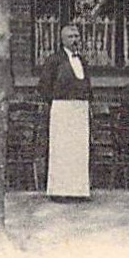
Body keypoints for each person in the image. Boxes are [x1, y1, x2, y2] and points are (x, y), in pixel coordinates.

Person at [38, 23, 93, 200]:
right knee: (61, 149)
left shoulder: (82, 60)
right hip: (62, 109)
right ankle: (59, 191)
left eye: (77, 36)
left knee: (78, 149)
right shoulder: (54, 60)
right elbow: (44, 86)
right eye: (71, 36)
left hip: (80, 109)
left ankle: (78, 191)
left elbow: (87, 84)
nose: (75, 40)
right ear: (62, 40)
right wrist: (56, 102)